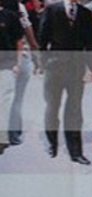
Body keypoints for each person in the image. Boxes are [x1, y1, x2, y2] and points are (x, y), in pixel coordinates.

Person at [38, 0, 92, 165]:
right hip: (54, 68)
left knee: (74, 110)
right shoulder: (51, 10)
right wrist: (43, 64)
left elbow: (91, 42)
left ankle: (76, 152)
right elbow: (42, 38)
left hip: (76, 68)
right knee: (52, 107)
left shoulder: (85, 14)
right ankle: (52, 144)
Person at [8, 0, 40, 147]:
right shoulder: (18, 7)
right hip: (21, 57)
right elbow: (28, 32)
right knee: (17, 98)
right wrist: (37, 56)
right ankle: (14, 132)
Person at [0, 0, 24, 155]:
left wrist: (18, 63)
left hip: (6, 65)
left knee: (4, 102)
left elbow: (18, 41)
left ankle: (2, 138)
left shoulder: (10, 16)